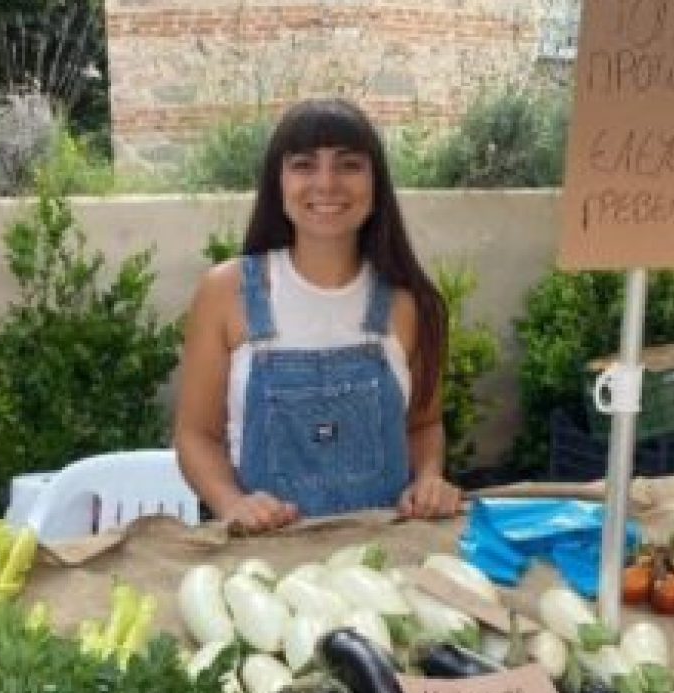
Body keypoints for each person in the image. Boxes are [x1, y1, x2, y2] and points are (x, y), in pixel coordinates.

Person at [174, 98, 462, 532]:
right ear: (279, 183)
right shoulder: (225, 293)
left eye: (348, 165)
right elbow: (196, 436)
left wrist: (428, 479)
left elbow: (424, 424)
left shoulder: (409, 304)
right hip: (262, 559)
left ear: (375, 183)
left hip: (385, 558)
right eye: (304, 165)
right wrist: (232, 503)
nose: (326, 184)